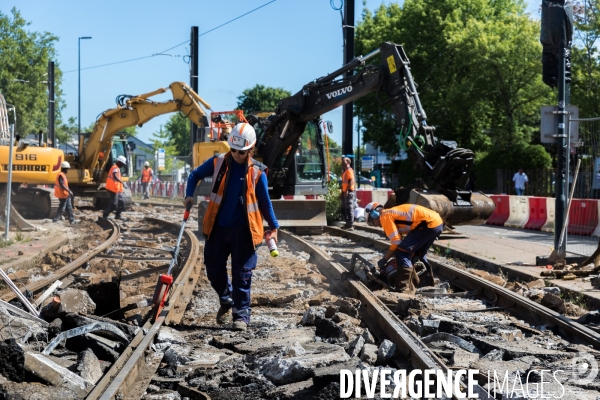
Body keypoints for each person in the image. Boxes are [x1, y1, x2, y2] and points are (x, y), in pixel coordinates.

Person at [184, 122, 279, 332]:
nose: (236, 154)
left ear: (250, 149)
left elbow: (265, 203)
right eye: (233, 149)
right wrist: (189, 194)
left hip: (244, 232)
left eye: (241, 151)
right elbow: (194, 175)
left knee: (242, 274)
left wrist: (274, 226)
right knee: (213, 270)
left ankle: (241, 316)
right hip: (217, 228)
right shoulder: (218, 162)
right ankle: (226, 298)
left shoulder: (257, 173)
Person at [364, 202, 443, 294]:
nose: (375, 225)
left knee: (401, 253)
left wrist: (384, 259)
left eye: (371, 222)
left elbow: (396, 242)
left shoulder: (384, 217)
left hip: (427, 224)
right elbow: (400, 239)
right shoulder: (391, 213)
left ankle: (403, 289)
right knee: (416, 253)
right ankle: (426, 283)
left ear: (374, 215)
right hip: (436, 223)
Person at [102, 155, 127, 220]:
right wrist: (122, 182)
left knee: (122, 202)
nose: (122, 165)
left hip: (118, 189)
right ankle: (105, 214)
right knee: (113, 203)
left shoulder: (117, 168)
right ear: (119, 162)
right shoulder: (115, 167)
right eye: (122, 163)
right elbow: (115, 176)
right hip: (113, 189)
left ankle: (118, 215)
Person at [341, 157, 355, 229]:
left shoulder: (349, 170)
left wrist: (346, 190)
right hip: (345, 192)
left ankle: (350, 224)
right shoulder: (345, 171)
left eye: (344, 161)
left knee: (349, 207)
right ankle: (347, 223)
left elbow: (351, 181)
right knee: (345, 208)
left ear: (348, 162)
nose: (342, 162)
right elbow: (344, 183)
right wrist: (342, 192)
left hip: (349, 192)